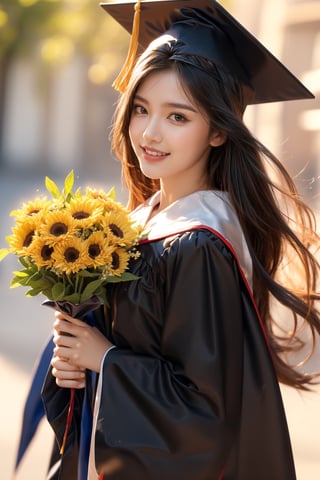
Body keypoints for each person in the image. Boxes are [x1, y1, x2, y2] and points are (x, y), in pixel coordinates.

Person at [40, 1, 320, 479]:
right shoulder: (145, 224)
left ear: (217, 132)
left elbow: (202, 417)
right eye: (142, 109)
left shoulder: (202, 244)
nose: (149, 133)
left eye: (178, 117)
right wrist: (73, 368)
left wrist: (104, 359)